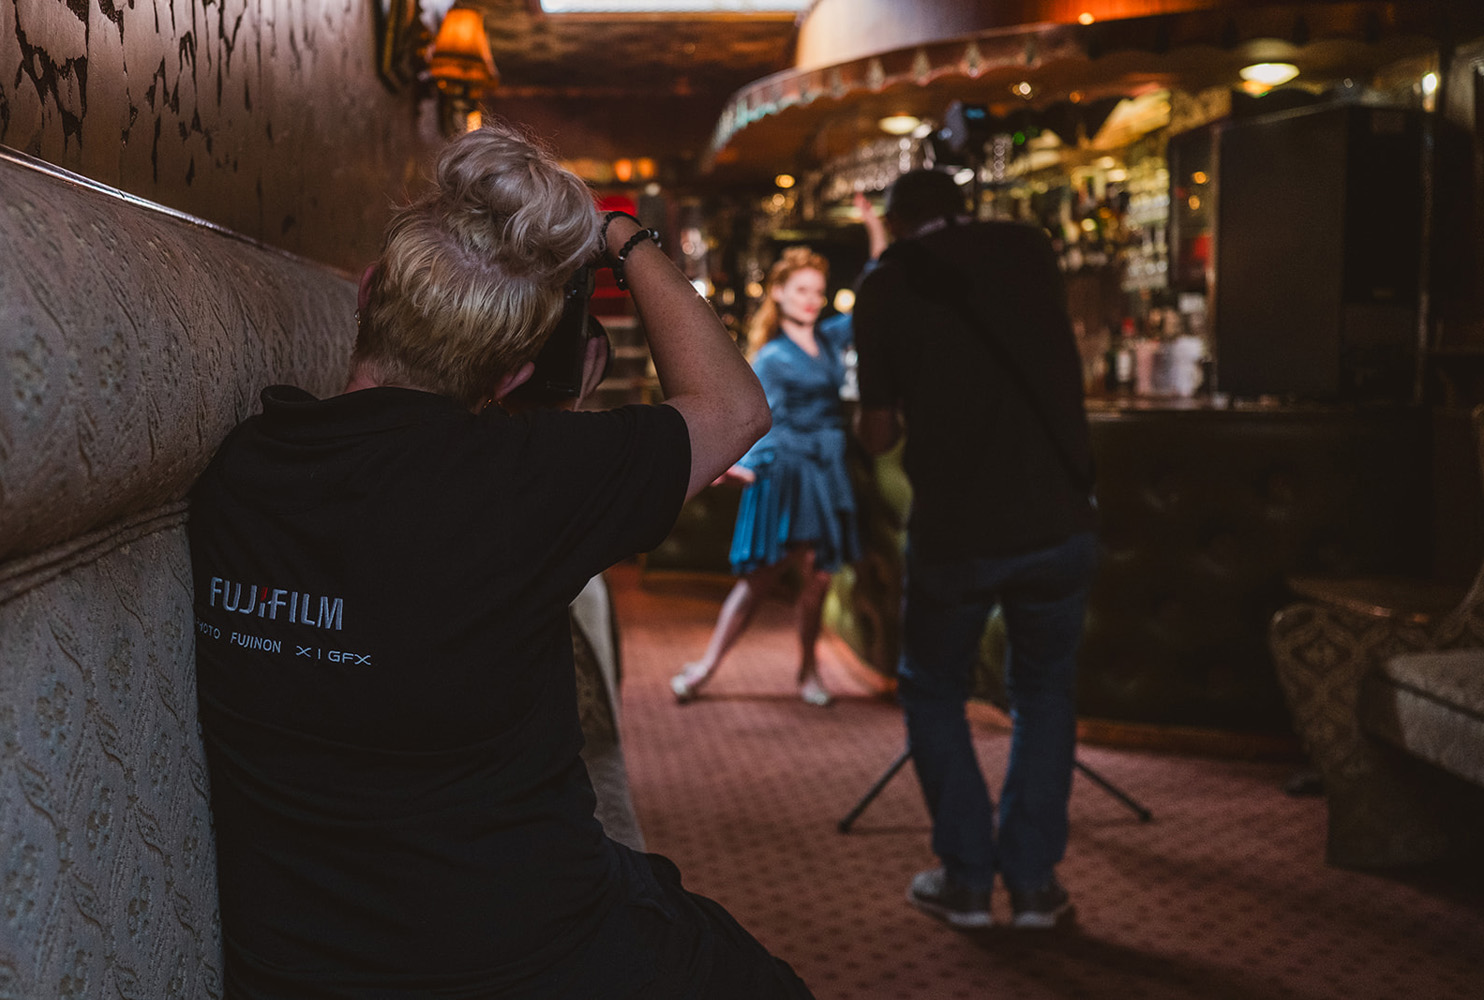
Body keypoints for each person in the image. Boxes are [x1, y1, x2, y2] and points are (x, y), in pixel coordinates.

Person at [189, 124, 815, 999]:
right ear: (517, 376)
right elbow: (736, 407)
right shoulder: (528, 481)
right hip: (524, 955)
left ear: (367, 293)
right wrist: (618, 234)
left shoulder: (242, 470)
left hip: (294, 968)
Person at [852, 169, 1098, 930]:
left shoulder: (884, 287)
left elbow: (882, 432)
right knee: (1044, 692)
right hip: (1060, 515)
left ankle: (965, 881)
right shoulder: (1031, 248)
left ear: (893, 224)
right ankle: (1032, 887)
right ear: (960, 209)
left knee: (932, 689)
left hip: (959, 529)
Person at [670, 246, 860, 708]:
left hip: (825, 469)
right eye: (801, 290)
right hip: (788, 469)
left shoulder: (830, 340)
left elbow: (870, 305)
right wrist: (743, 465)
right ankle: (706, 666)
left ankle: (808, 670)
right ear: (779, 293)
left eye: (818, 291)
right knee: (760, 578)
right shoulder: (774, 356)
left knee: (817, 579)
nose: (812, 299)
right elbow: (759, 416)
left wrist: (877, 237)